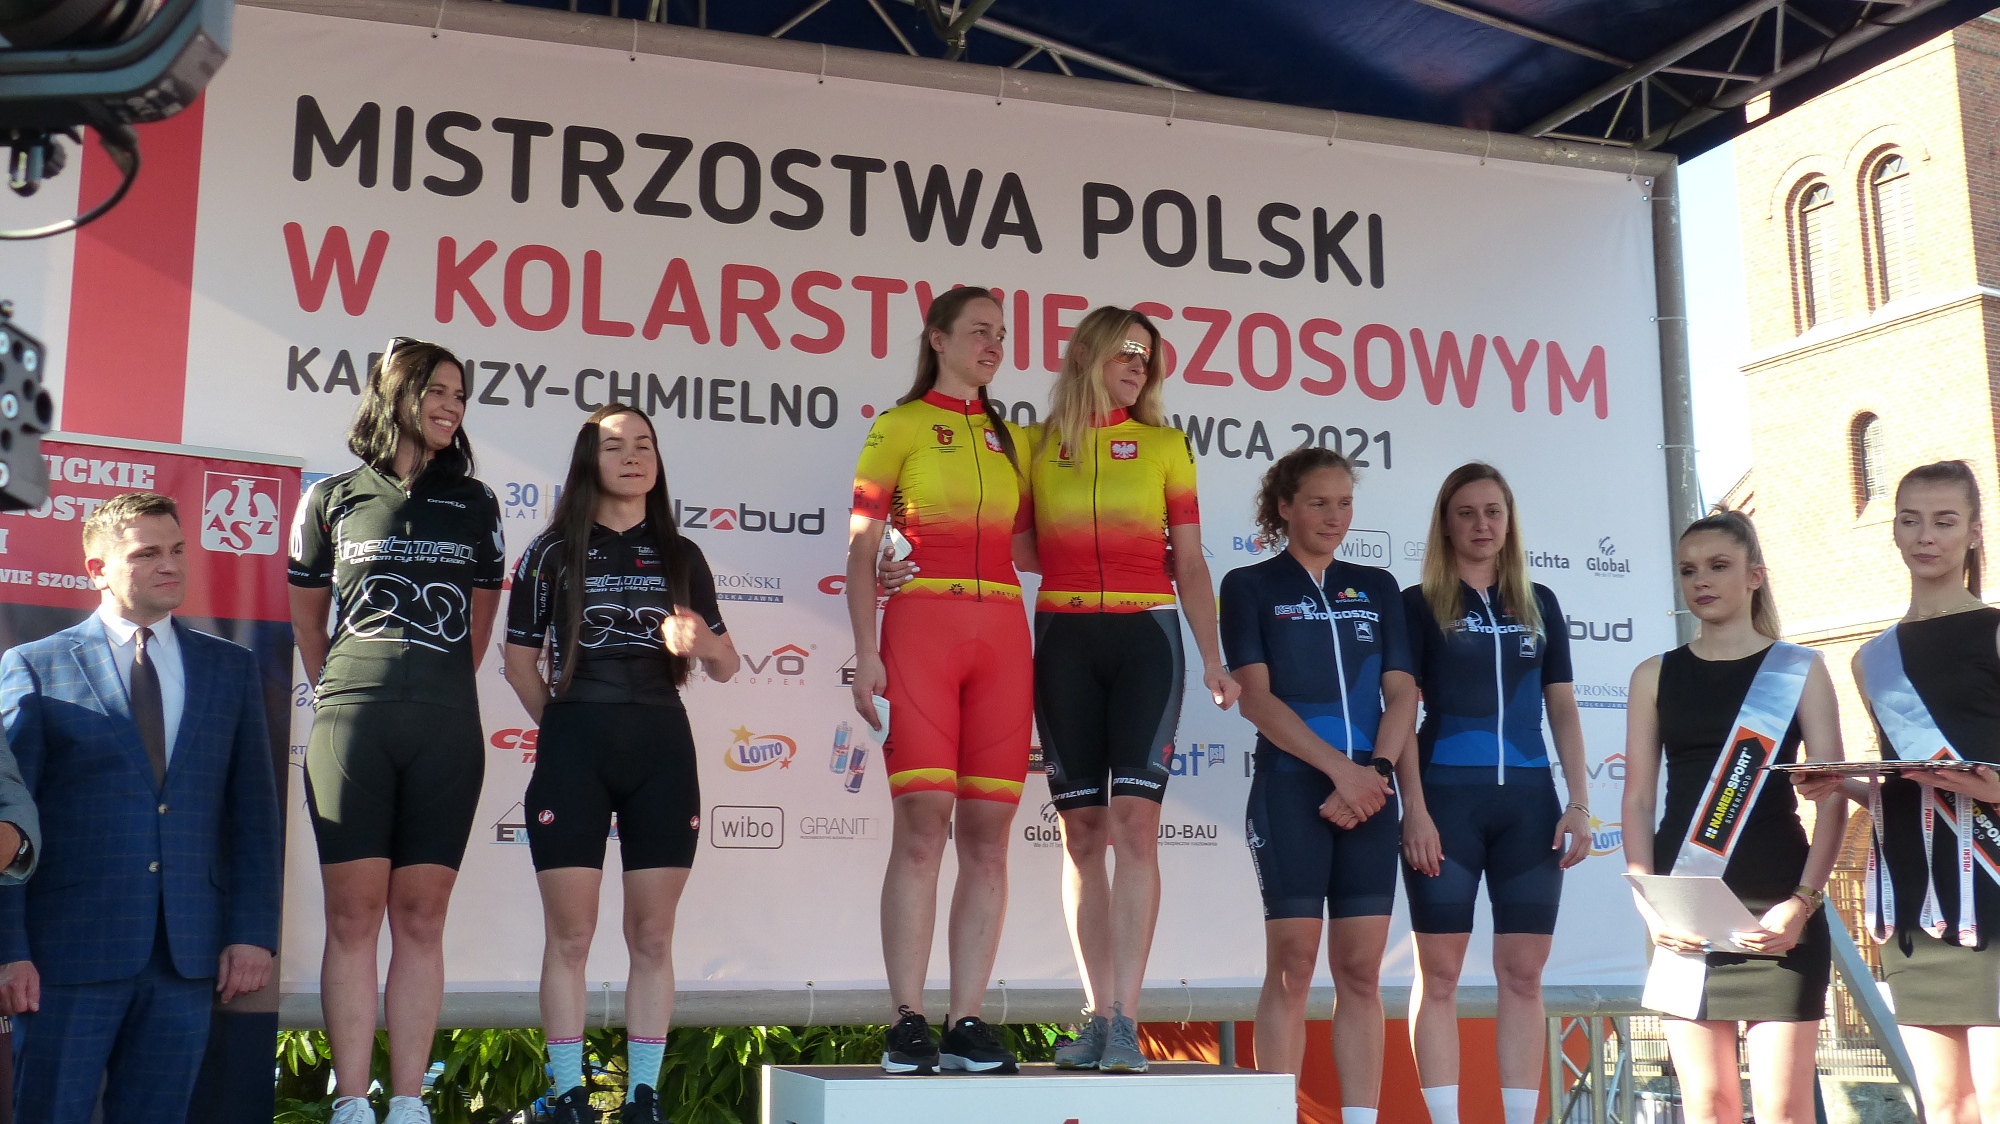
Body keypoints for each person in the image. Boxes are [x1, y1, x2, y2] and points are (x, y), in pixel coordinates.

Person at [0, 491, 273, 1124]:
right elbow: (10, 823)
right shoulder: (35, 667)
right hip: (67, 954)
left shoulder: (230, 669)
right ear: (97, 569)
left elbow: (255, 817)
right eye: (146, 554)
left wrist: (252, 934)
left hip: (187, 955)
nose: (169, 565)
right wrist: (9, 948)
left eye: (177, 549)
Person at [502, 405, 738, 1124]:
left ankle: (643, 1095)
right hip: (576, 745)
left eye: (644, 445)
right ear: (588, 461)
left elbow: (727, 664)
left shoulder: (682, 554)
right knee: (570, 935)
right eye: (614, 446)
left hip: (662, 747)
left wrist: (701, 641)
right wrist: (567, 728)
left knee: (652, 936)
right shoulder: (550, 552)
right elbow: (518, 665)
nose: (633, 456)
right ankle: (569, 1093)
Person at [290, 338, 505, 1124]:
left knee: (421, 918)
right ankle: (352, 1102)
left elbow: (477, 629)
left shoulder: (477, 502)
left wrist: (430, 691)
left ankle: (409, 1102)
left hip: (445, 727)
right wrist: (354, 691)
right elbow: (308, 621)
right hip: (353, 724)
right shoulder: (330, 497)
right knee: (353, 918)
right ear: (396, 394)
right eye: (437, 390)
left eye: (460, 394)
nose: (451, 406)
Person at [1018, 306, 1238, 1073]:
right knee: (1081, 835)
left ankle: (1126, 1022)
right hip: (1065, 639)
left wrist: (1213, 658)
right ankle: (1096, 1012)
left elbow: (1191, 562)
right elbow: (1017, 542)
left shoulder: (1166, 446)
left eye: (1148, 355)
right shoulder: (1035, 445)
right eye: (1126, 351)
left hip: (1147, 638)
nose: (1140, 365)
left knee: (1136, 828)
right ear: (1087, 354)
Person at [845, 286, 1034, 1075]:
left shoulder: (1012, 437)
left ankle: (967, 1021)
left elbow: (1031, 547)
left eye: (1002, 334)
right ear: (938, 339)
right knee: (924, 825)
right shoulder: (899, 425)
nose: (994, 345)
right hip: (923, 629)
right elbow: (862, 548)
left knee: (989, 834)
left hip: (1004, 636)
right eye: (979, 331)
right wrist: (866, 652)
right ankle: (907, 1020)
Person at [1622, 511, 1845, 1124]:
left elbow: (1832, 794)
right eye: (1689, 570)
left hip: (1779, 907)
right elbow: (1637, 800)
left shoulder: (1800, 669)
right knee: (1707, 1104)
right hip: (1686, 910)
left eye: (1719, 566)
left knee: (1783, 1108)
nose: (1702, 581)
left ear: (1754, 576)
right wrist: (1650, 907)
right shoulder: (1653, 674)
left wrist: (1802, 902)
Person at [1797, 460, 2000, 1124]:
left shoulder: (1994, 631)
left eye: (1944, 521)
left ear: (1974, 531)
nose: (1926, 536)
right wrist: (1844, 782)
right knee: (1943, 1103)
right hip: (1916, 892)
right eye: (1910, 521)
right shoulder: (1872, 660)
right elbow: (1907, 786)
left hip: (1991, 884)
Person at [1220, 446, 1413, 1124]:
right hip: (1293, 788)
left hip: (1371, 794)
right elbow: (1255, 699)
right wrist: (1343, 772)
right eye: (1319, 503)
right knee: (1294, 964)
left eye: (1345, 503)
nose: (1335, 517)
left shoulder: (1378, 587)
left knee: (1361, 970)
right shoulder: (1250, 585)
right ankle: (1275, 1116)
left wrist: (1376, 775)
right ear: (1284, 507)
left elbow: (1402, 694)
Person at [1395, 462, 1589, 1124]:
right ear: (1446, 525)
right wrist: (1415, 810)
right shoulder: (1417, 604)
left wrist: (1579, 801)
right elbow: (1400, 711)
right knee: (1440, 975)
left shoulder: (1540, 602)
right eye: (1467, 513)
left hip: (1529, 808)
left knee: (1524, 976)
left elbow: (1563, 708)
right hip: (1445, 804)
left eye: (1493, 511)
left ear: (1509, 522)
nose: (1482, 524)